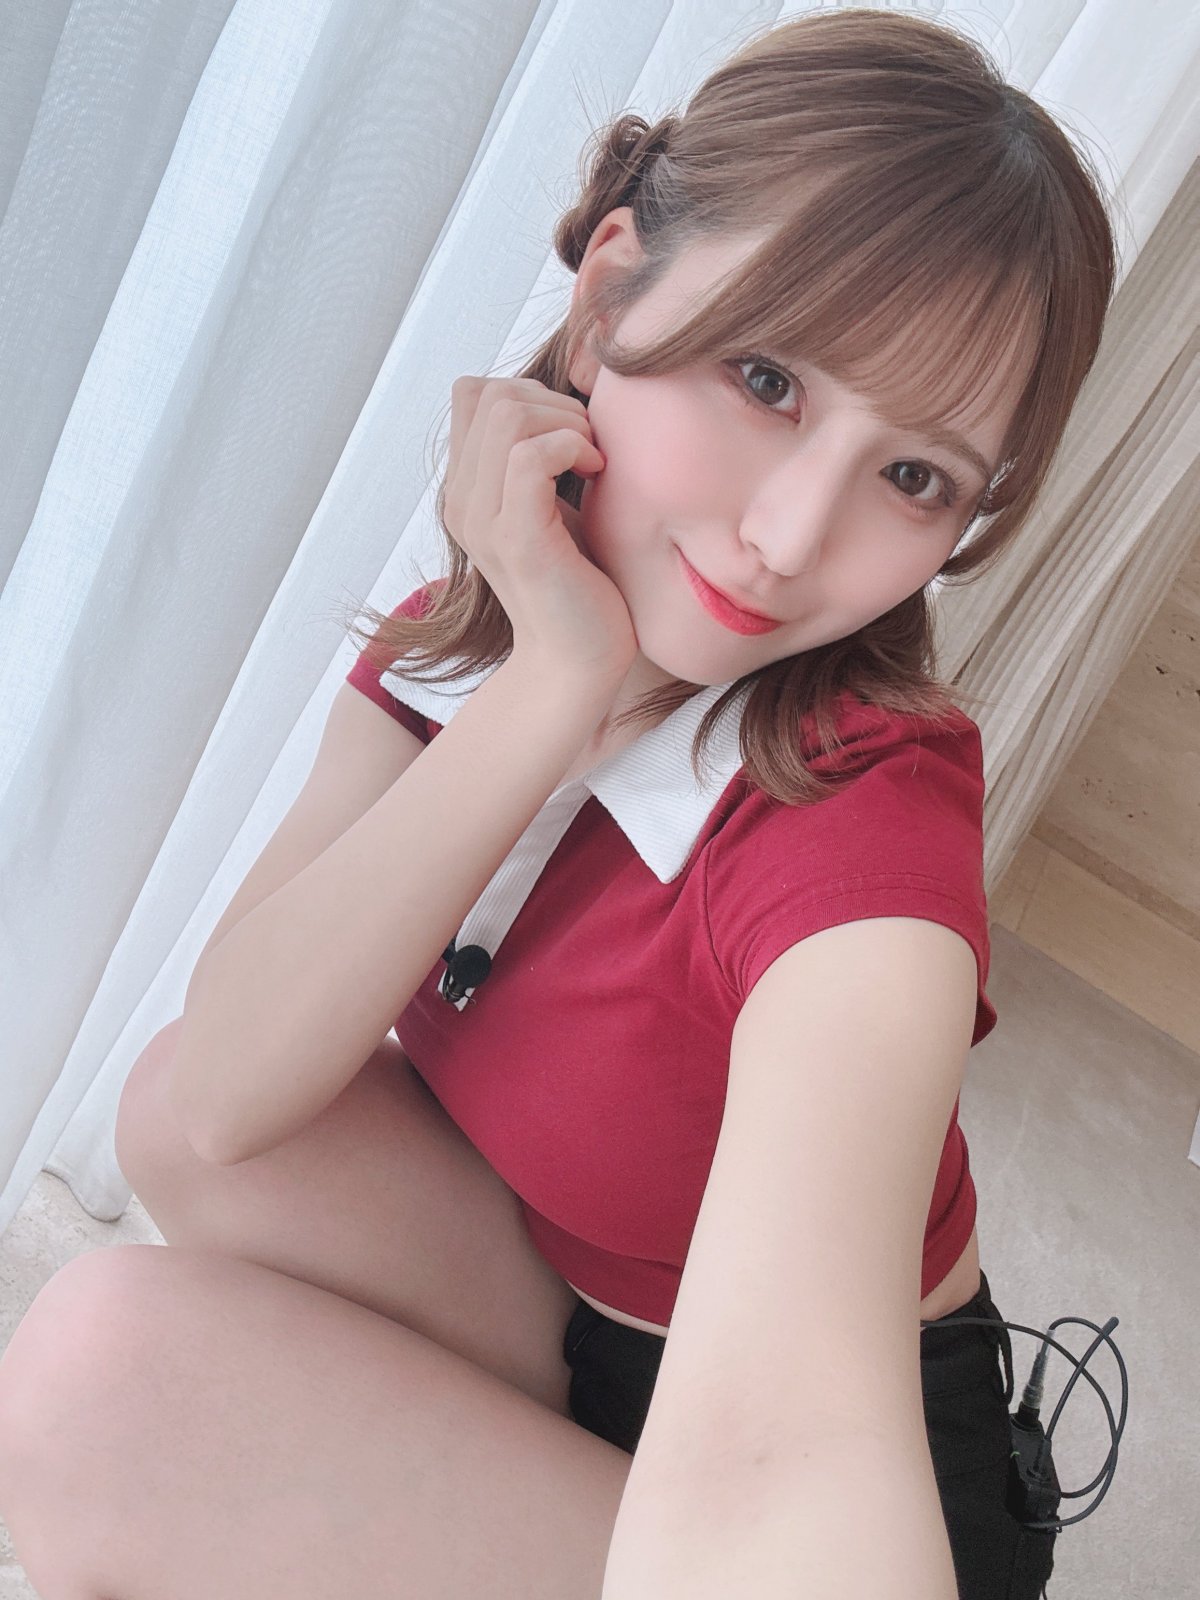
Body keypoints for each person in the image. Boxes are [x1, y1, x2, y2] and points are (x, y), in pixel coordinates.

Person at [0, 10, 1115, 1600]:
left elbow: (800, 1455)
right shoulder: (485, 632)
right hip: (572, 1328)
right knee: (182, 1111)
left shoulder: (867, 821)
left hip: (808, 1502)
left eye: (914, 478)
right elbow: (228, 1099)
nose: (790, 539)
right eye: (768, 379)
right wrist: (550, 688)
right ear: (607, 300)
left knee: (97, 1379)